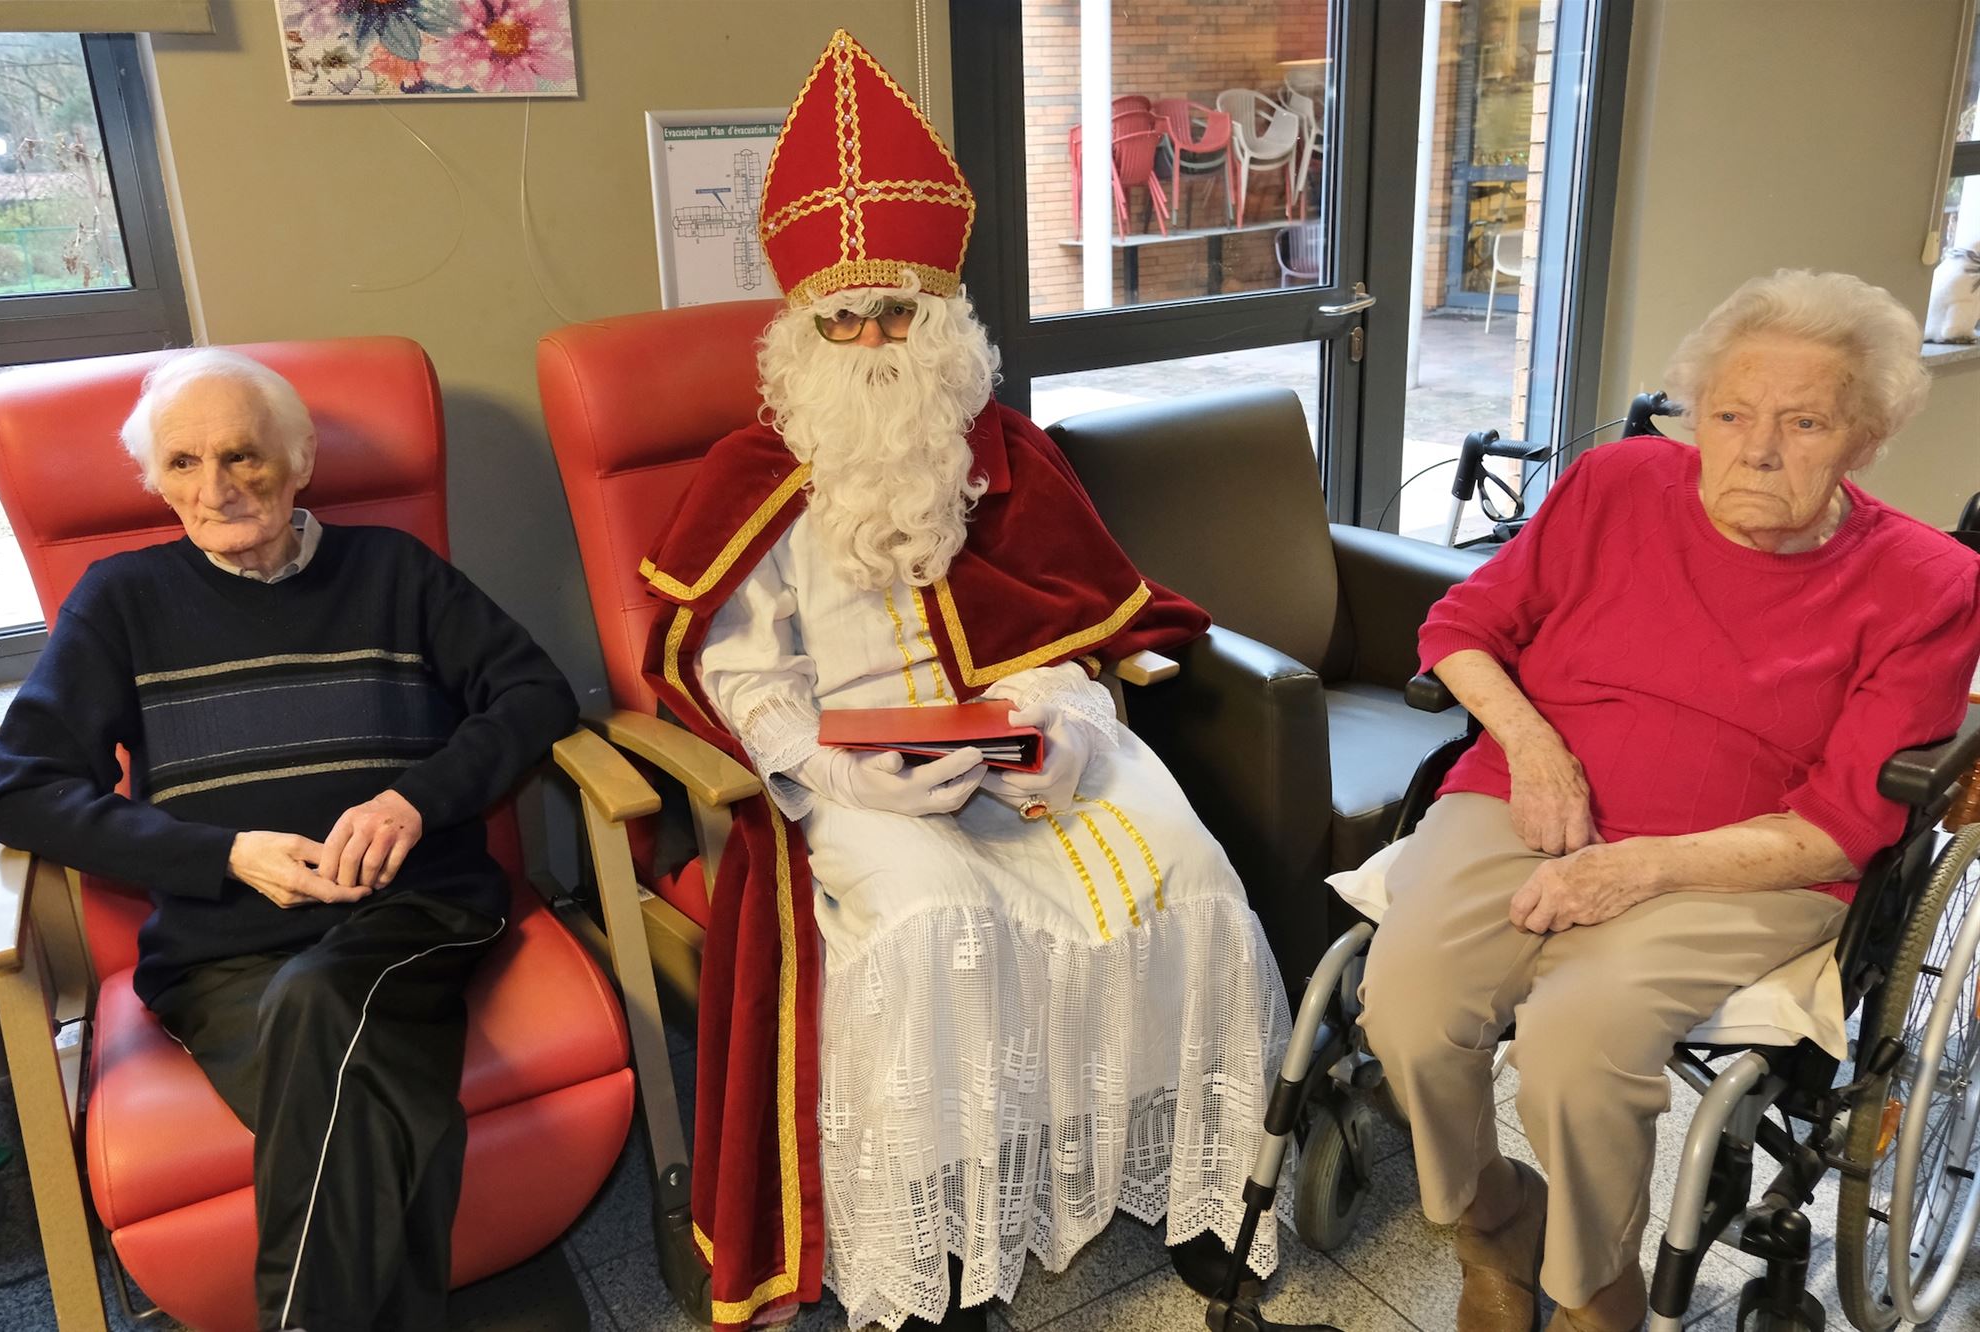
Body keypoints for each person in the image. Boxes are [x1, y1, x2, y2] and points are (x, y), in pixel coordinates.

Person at [637, 30, 1289, 1332]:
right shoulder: (751, 477)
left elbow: (1075, 627)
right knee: (940, 925)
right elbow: (734, 669)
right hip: (856, 768)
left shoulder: (1006, 453)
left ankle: (1203, 1187)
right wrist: (833, 770)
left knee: (1189, 872)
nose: (873, 338)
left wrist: (1064, 726)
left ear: (942, 321)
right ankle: (942, 1246)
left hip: (1030, 742)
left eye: (899, 312)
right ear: (802, 333)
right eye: (843, 317)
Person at [1356, 270, 1980, 1332]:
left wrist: (1635, 867)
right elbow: (1459, 630)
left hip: (1749, 858)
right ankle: (1494, 1221)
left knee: (1576, 1045)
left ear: (1866, 439)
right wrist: (1533, 748)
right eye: (1730, 415)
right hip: (1528, 797)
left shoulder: (1926, 583)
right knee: (1406, 1013)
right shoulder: (1613, 484)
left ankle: (1597, 1286)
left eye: (1804, 422)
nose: (1757, 449)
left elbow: (1841, 825)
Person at [0, 348, 580, 1332]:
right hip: (222, 947)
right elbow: (27, 795)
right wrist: (223, 855)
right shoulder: (120, 600)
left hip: (409, 911)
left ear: (299, 460)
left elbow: (534, 693)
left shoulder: (392, 570)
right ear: (155, 482)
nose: (214, 488)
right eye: (182, 464)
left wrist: (413, 802)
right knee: (373, 1104)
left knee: (316, 1003)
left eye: (242, 456)